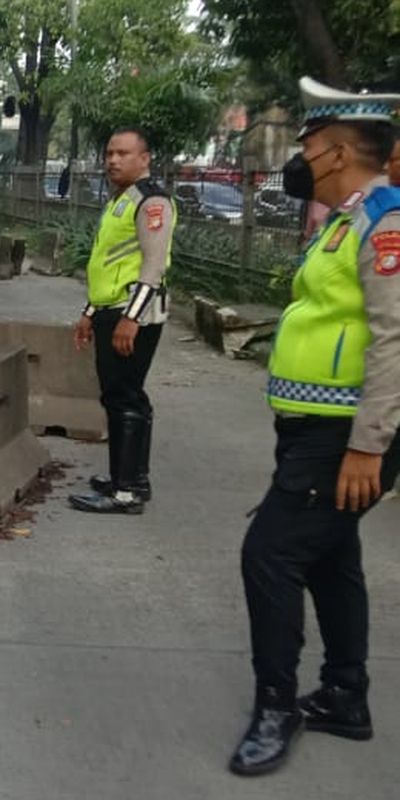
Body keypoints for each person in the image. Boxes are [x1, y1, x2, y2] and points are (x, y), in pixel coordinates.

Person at [228, 77, 400, 777]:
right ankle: (344, 695)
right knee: (331, 559)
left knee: (268, 555)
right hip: (314, 428)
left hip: (343, 435)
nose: (295, 158)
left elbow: (395, 338)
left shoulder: (383, 226)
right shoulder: (344, 219)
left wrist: (368, 445)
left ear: (332, 153)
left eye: (304, 146)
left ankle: (276, 706)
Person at [68, 127, 176, 514]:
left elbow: (152, 265)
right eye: (110, 153)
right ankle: (130, 478)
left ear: (145, 159)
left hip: (132, 313)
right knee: (126, 396)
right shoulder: (122, 200)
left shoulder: (152, 202)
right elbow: (110, 265)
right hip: (113, 310)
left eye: (123, 153)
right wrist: (91, 312)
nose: (113, 160)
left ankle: (125, 491)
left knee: (123, 397)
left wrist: (130, 319)